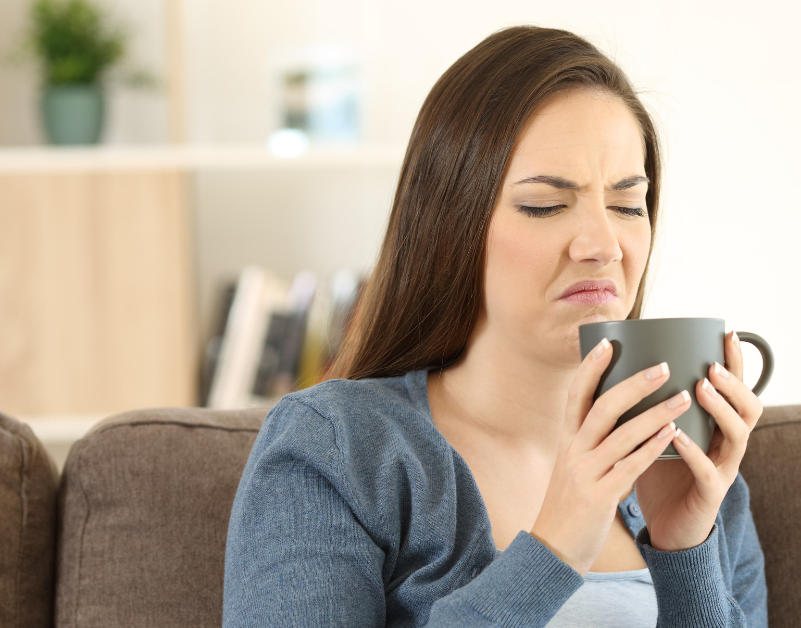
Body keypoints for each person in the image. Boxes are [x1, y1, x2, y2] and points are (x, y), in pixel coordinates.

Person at [222, 25, 768, 628]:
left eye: (627, 205)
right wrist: (556, 546)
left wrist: (686, 553)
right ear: (451, 225)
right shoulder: (335, 448)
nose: (603, 244)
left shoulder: (703, 478)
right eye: (545, 204)